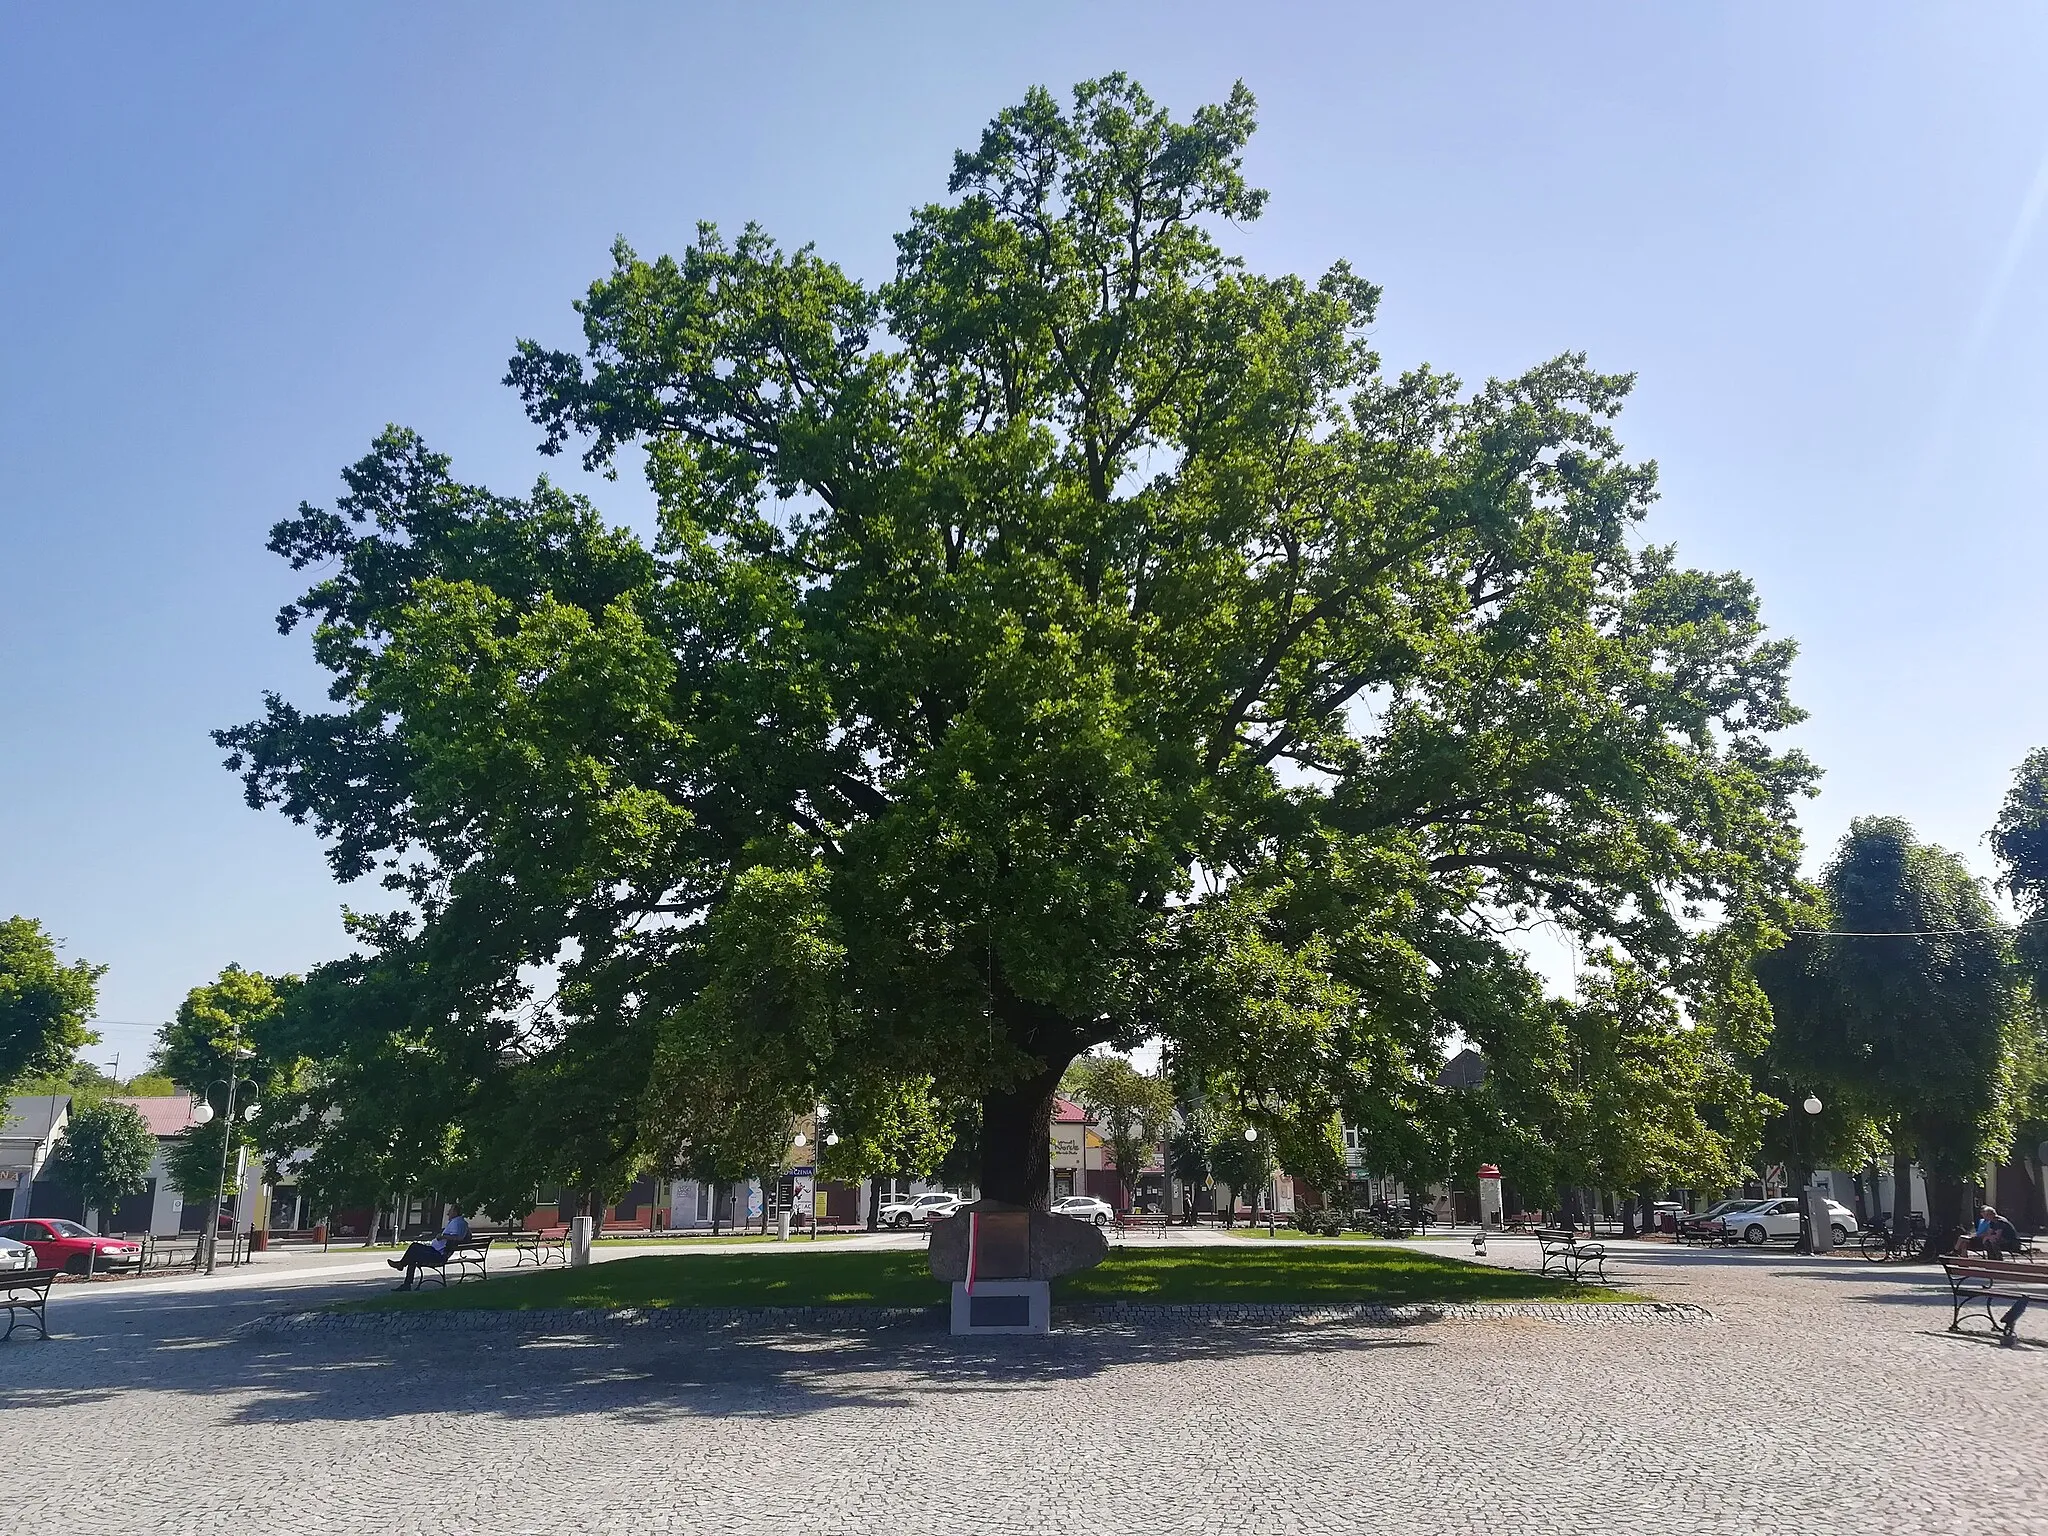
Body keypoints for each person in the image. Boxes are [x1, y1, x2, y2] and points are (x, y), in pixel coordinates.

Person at [388, 1206, 471, 1290]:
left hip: (438, 1255)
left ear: (455, 1212)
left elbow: (458, 1237)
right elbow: (466, 1236)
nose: (448, 1213)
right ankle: (404, 1275)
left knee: (413, 1252)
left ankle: (404, 1275)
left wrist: (442, 1236)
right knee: (414, 1248)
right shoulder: (461, 1222)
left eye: (450, 1211)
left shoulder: (457, 1223)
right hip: (436, 1251)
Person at [1953, 1205, 2023, 1260]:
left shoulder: (1999, 1221)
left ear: (1991, 1214)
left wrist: (1987, 1237)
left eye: (1986, 1215)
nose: (1984, 1217)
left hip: (2011, 1241)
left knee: (1992, 1240)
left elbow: (1998, 1235)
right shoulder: (1992, 1221)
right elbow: (1989, 1232)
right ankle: (1991, 1258)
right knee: (1988, 1240)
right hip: (2002, 1239)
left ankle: (1998, 1259)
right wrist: (1986, 1237)